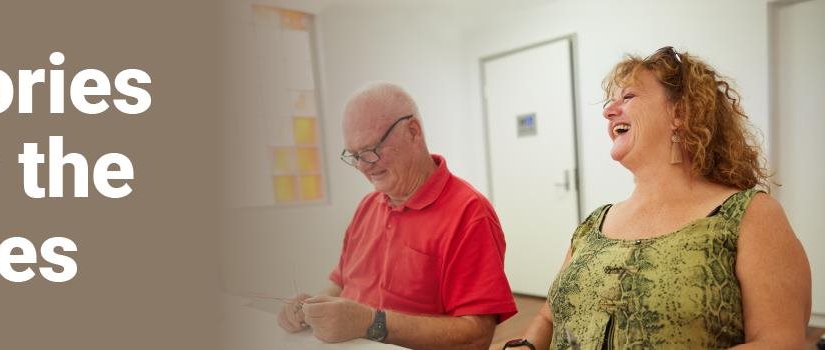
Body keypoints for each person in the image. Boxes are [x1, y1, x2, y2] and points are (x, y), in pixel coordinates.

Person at [505, 47, 812, 349]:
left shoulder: (747, 215)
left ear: (680, 112)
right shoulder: (594, 223)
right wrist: (526, 346)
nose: (608, 111)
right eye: (611, 102)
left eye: (628, 97)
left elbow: (779, 341)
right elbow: (548, 317)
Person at [277, 82, 517, 349]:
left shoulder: (469, 213)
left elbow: (476, 336)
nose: (363, 167)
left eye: (370, 151)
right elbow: (341, 284)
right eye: (354, 155)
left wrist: (371, 322)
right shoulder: (367, 206)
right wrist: (311, 309)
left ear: (413, 132)